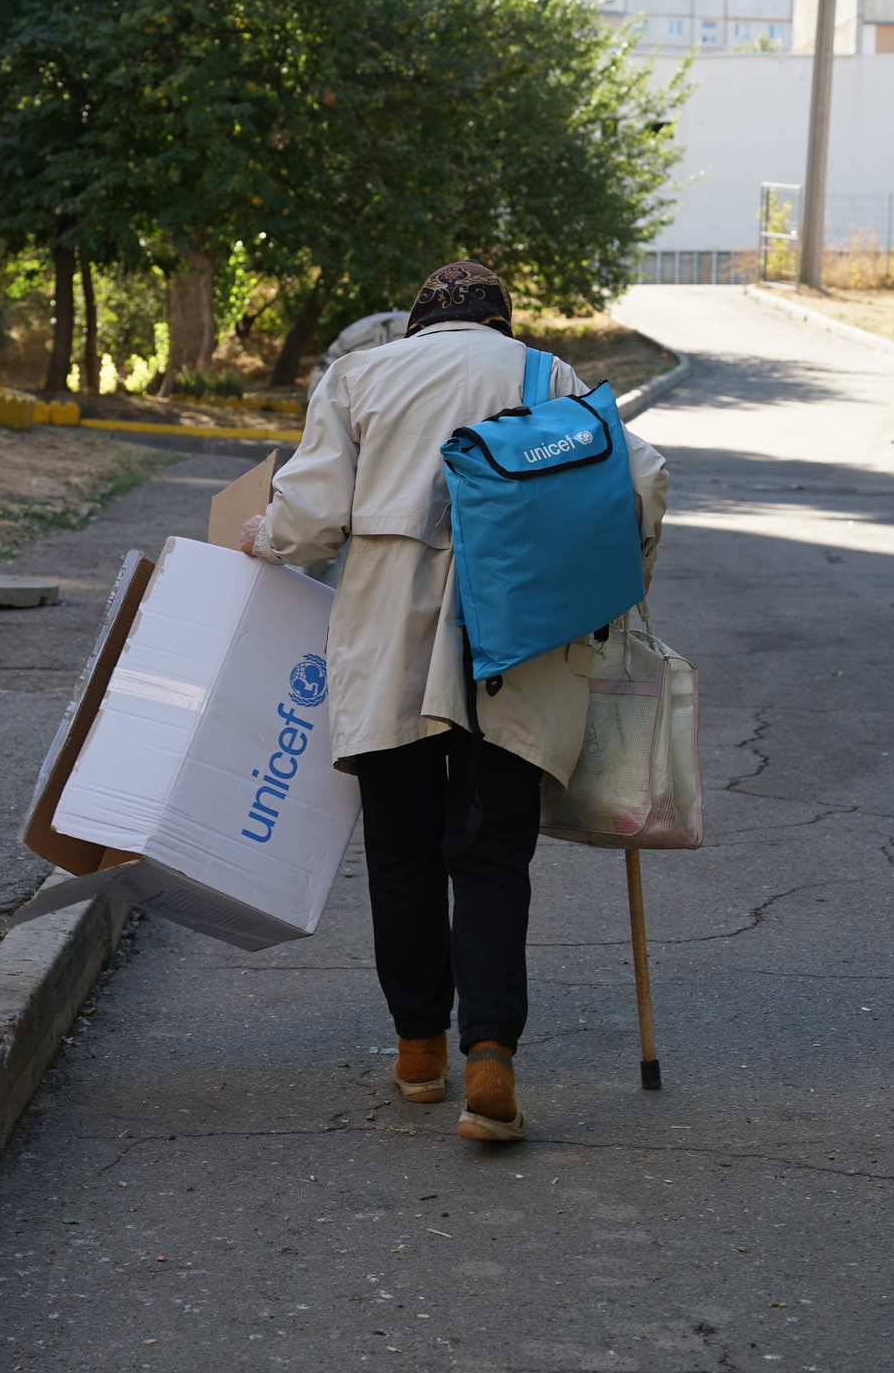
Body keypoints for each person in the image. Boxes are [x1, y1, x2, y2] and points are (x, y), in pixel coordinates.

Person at [239, 260, 669, 1144]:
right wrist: (623, 580)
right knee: (489, 855)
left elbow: (311, 520)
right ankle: (491, 1059)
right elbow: (641, 482)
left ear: (420, 325)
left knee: (400, 851)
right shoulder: (548, 376)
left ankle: (417, 1051)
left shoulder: (358, 375)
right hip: (516, 640)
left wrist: (263, 534)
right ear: (501, 324)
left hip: (389, 640)